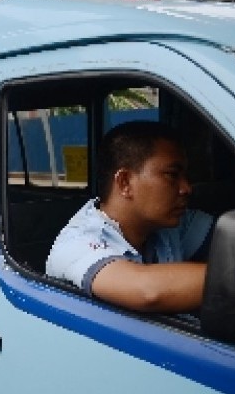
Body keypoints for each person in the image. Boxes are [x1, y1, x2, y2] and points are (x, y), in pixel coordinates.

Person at [46, 120, 213, 313]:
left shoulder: (171, 225)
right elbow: (148, 291)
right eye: (172, 175)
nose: (186, 188)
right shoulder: (77, 243)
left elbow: (233, 244)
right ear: (125, 182)